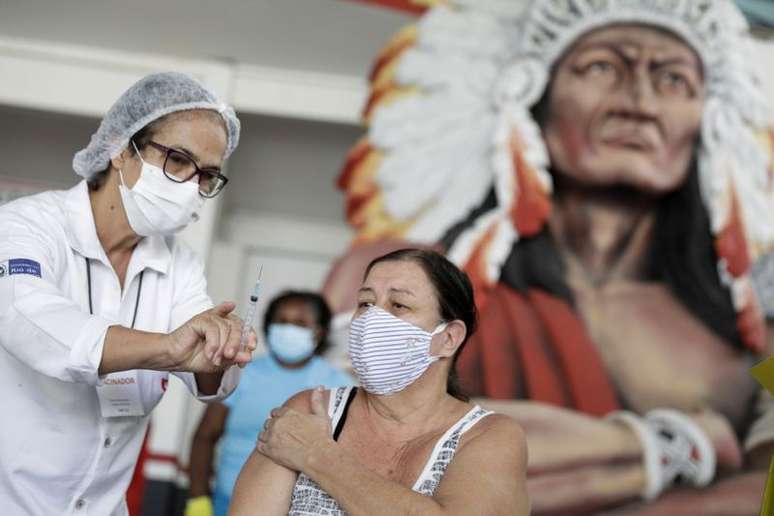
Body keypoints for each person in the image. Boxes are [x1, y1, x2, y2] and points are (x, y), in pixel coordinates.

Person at [323, 0, 774, 513]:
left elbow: (762, 489)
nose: (639, 103)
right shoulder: (401, 279)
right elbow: (350, 441)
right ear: (530, 92)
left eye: (673, 80)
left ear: (709, 118)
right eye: (603, 67)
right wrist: (666, 448)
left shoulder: (749, 321)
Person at [0, 71, 258, 516]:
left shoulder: (179, 266)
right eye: (178, 159)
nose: (191, 185)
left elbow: (209, 374)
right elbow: (28, 319)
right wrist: (167, 348)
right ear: (122, 148)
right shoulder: (26, 226)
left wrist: (223, 346)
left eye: (207, 175)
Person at [229, 248, 529, 516]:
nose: (372, 319)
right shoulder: (310, 408)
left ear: (448, 338)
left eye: (398, 305)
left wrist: (318, 455)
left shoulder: (488, 436)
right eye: (366, 303)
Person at [186, 291, 354, 516]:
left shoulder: (339, 385)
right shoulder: (241, 373)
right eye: (282, 321)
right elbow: (205, 437)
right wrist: (198, 500)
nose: (289, 329)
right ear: (268, 326)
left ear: (319, 332)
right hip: (226, 504)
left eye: (300, 323)